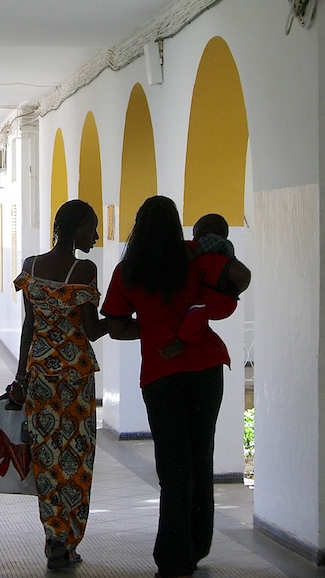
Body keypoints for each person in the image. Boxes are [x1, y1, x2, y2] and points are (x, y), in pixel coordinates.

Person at [101, 196, 251, 578]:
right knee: (202, 456)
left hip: (161, 372)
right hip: (205, 367)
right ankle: (198, 545)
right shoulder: (194, 257)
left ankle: (173, 555)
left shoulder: (128, 272)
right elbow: (238, 276)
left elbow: (116, 327)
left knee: (173, 464)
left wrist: (152, 331)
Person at [9, 199, 134, 571]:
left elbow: (29, 327)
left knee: (46, 459)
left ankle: (53, 538)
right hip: (75, 379)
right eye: (90, 227)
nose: (95, 236)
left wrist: (20, 376)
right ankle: (69, 538)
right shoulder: (84, 269)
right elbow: (91, 330)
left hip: (39, 379)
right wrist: (126, 322)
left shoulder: (30, 267)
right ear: (73, 227)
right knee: (76, 459)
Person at [160, 212, 249, 359]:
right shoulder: (217, 250)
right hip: (217, 296)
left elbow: (206, 245)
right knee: (196, 312)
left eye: (197, 234)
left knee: (196, 312)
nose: (195, 238)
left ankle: (181, 342)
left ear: (206, 232)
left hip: (222, 299)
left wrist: (193, 253)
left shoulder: (216, 242)